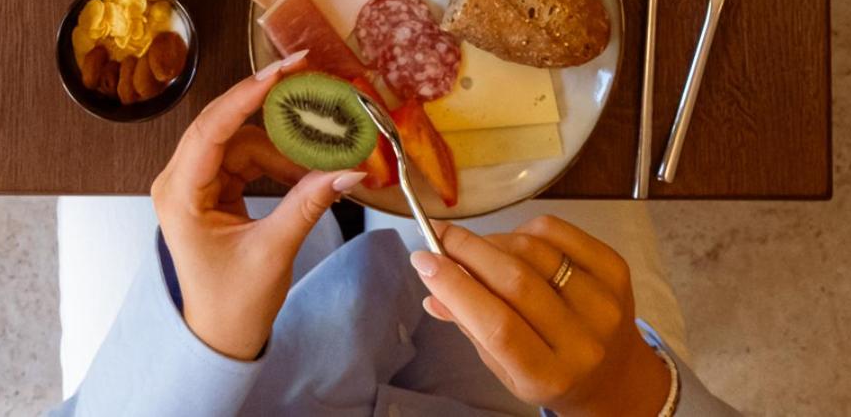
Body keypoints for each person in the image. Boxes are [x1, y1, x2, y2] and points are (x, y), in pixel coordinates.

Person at [50, 55, 736, 415]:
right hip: (509, 391)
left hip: (229, 389)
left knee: (106, 160)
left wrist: (202, 343)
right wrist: (624, 399)